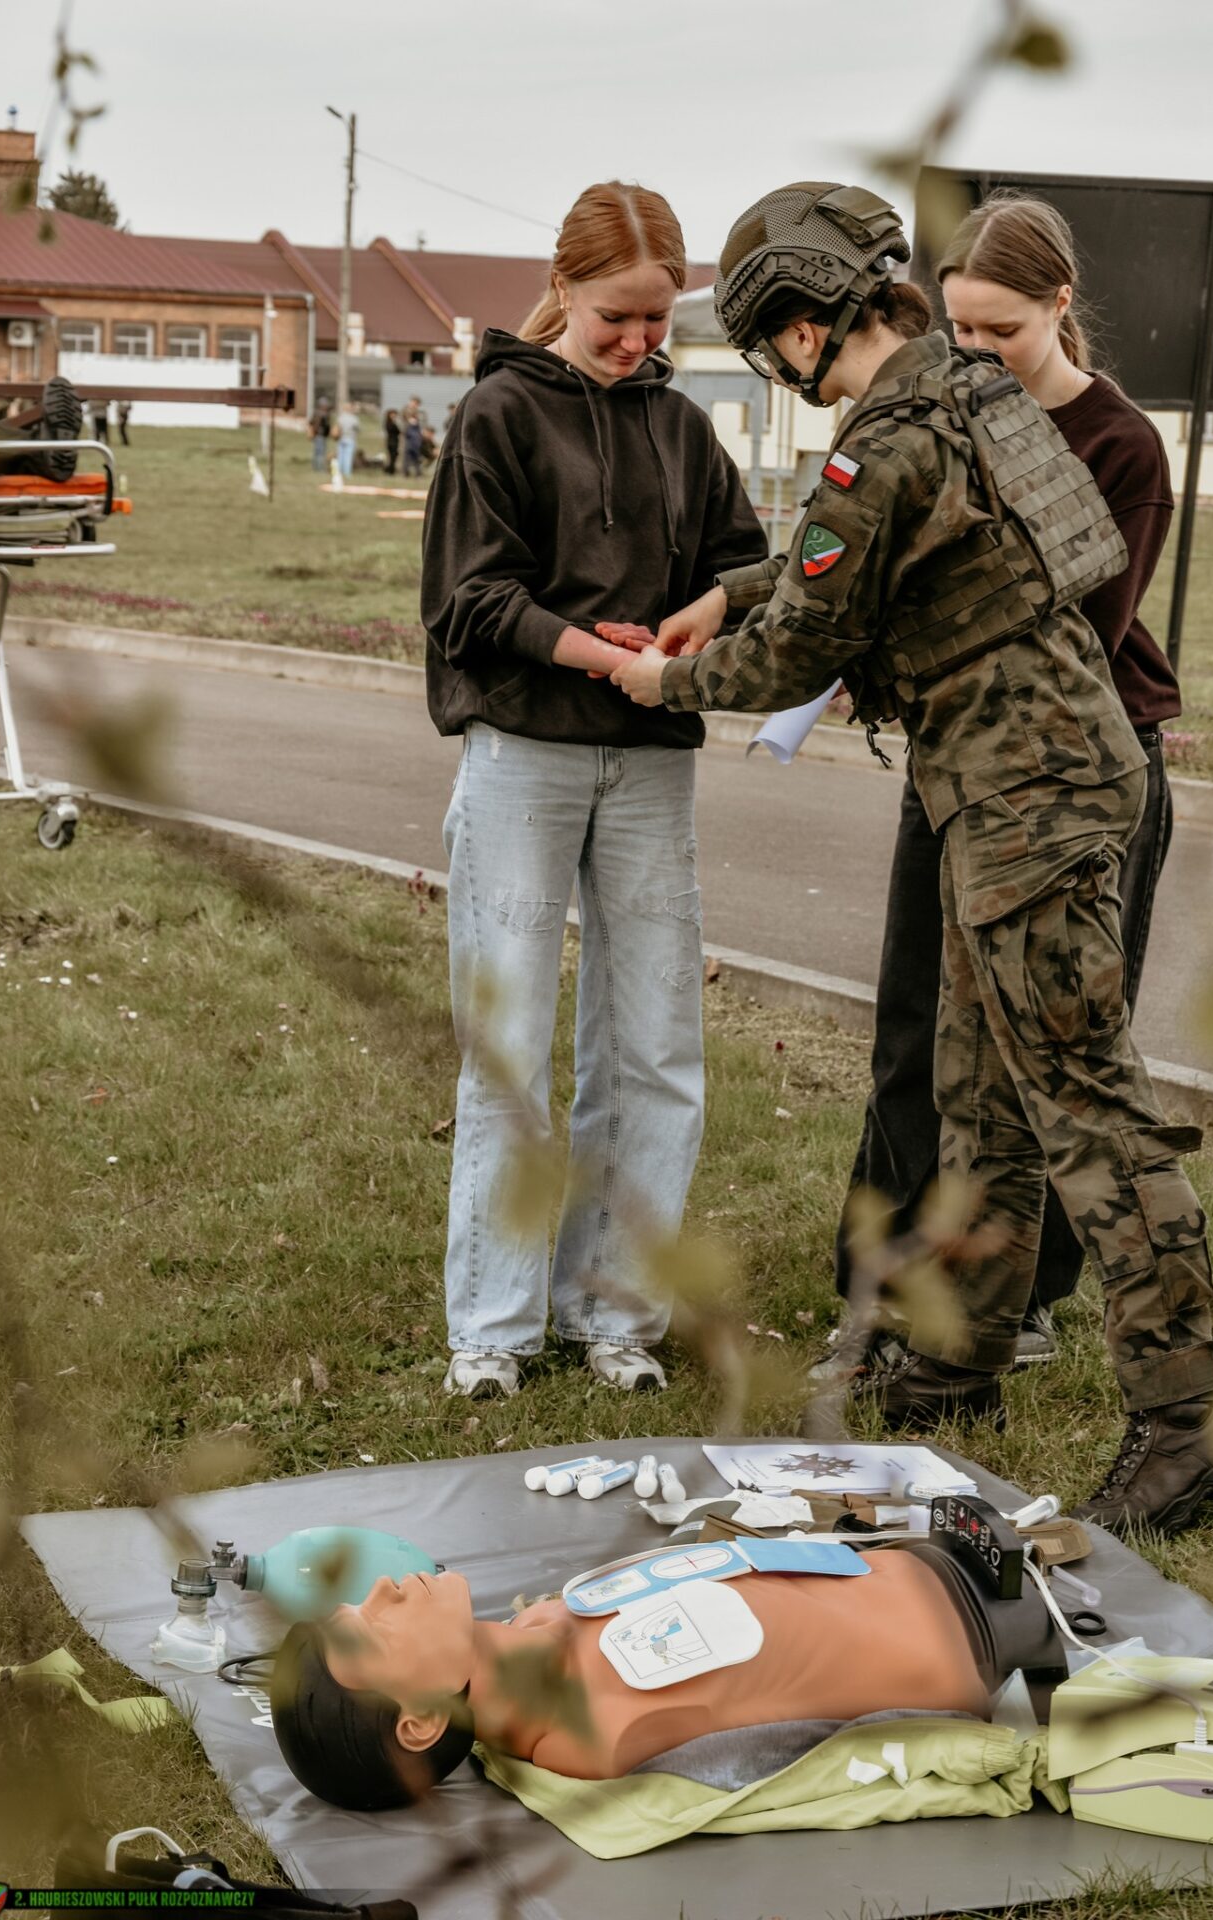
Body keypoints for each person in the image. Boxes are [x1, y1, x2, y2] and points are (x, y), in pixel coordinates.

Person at [609, 182, 1213, 1535]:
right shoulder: (962, 390)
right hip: (1026, 780)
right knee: (980, 1095)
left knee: (1084, 1105)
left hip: (1026, 795)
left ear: (802, 326)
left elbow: (801, 646)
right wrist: (732, 591)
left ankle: (1188, 1427)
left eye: (770, 341)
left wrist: (661, 679)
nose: (779, 367)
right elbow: (863, 563)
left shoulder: (883, 439)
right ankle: (956, 1362)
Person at [422, 180, 765, 1400]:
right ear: (562, 288)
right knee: (509, 1045)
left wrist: (698, 617)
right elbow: (469, 599)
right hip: (522, 756)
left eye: (656, 318)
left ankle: (614, 1315)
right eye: (615, 315)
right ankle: (492, 1331)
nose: (636, 339)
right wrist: (598, 656)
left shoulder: (683, 427)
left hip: (651, 763)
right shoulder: (496, 415)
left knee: (654, 1046)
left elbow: (745, 562)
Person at [833, 194, 1182, 1374]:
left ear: (1059, 306)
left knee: (1058, 1056)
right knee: (912, 1038)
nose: (976, 352)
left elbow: (1071, 632)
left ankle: (1021, 1301)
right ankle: (881, 1291)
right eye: (960, 330)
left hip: (1077, 777)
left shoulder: (1118, 444)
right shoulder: (931, 414)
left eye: (1002, 331)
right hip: (951, 763)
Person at [270, 1546, 1064, 1804]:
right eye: (372, 1627)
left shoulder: (538, 1627)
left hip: (912, 1568)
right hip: (971, 1636)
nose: (383, 1588)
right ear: (420, 1721)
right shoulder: (599, 1730)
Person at [401, 396, 425, 478]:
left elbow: (423, 423)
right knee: (406, 454)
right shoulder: (405, 410)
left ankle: (418, 473)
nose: (414, 404)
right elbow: (401, 420)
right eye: (413, 402)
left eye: (416, 403)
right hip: (407, 435)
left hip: (416, 436)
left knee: (416, 454)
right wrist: (409, 420)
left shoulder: (420, 413)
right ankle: (405, 472)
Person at [336, 401, 358, 479]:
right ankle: (347, 473)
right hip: (350, 438)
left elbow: (338, 426)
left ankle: (338, 471)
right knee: (348, 456)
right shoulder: (353, 418)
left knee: (340, 456)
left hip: (341, 438)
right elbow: (357, 428)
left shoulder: (341, 417)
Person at [311, 398, 332, 473]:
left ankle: (315, 467)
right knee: (321, 453)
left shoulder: (316, 413)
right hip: (321, 435)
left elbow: (311, 422)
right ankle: (320, 469)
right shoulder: (322, 414)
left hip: (318, 435)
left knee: (316, 452)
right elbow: (323, 425)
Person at [384, 407, 402, 475]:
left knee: (394, 456)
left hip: (395, 441)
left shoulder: (394, 423)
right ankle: (390, 470)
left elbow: (399, 431)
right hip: (391, 441)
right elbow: (394, 430)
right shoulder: (389, 423)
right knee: (392, 456)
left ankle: (391, 469)